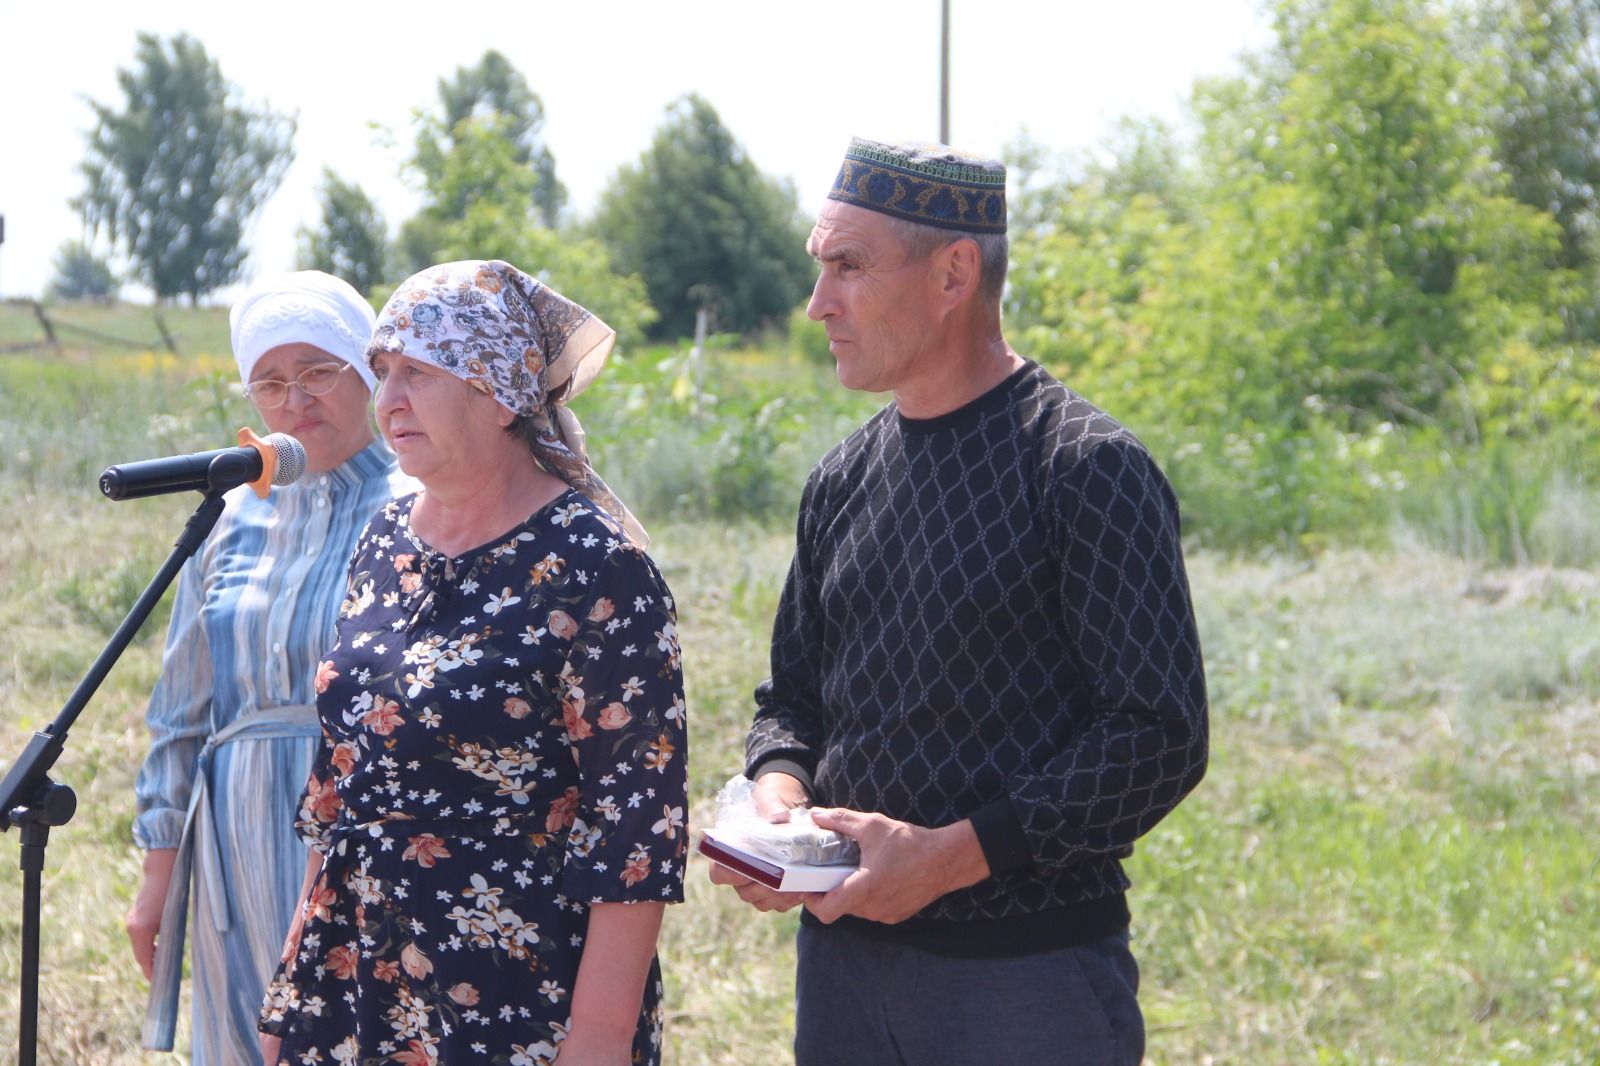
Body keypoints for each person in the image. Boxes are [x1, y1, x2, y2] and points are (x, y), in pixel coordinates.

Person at [708, 139, 1209, 1066]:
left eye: (848, 266)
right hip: (843, 973)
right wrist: (776, 805)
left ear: (954, 273)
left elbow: (1159, 733)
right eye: (820, 268)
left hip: (1027, 984)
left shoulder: (1085, 467)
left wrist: (952, 856)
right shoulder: (840, 480)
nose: (818, 304)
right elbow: (792, 702)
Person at [257, 260, 688, 1066]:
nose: (387, 399)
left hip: (515, 998)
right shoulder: (384, 540)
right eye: (381, 371)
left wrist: (596, 1040)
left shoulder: (598, 568)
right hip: (356, 981)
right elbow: (337, 788)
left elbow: (637, 835)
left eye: (418, 373)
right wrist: (294, 985)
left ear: (496, 394)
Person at [128, 270, 414, 1063]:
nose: (296, 400)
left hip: (364, 834)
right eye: (271, 381)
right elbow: (182, 710)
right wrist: (157, 884)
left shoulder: (420, 504)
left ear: (368, 371)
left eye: (318, 370)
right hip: (233, 834)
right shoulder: (227, 517)